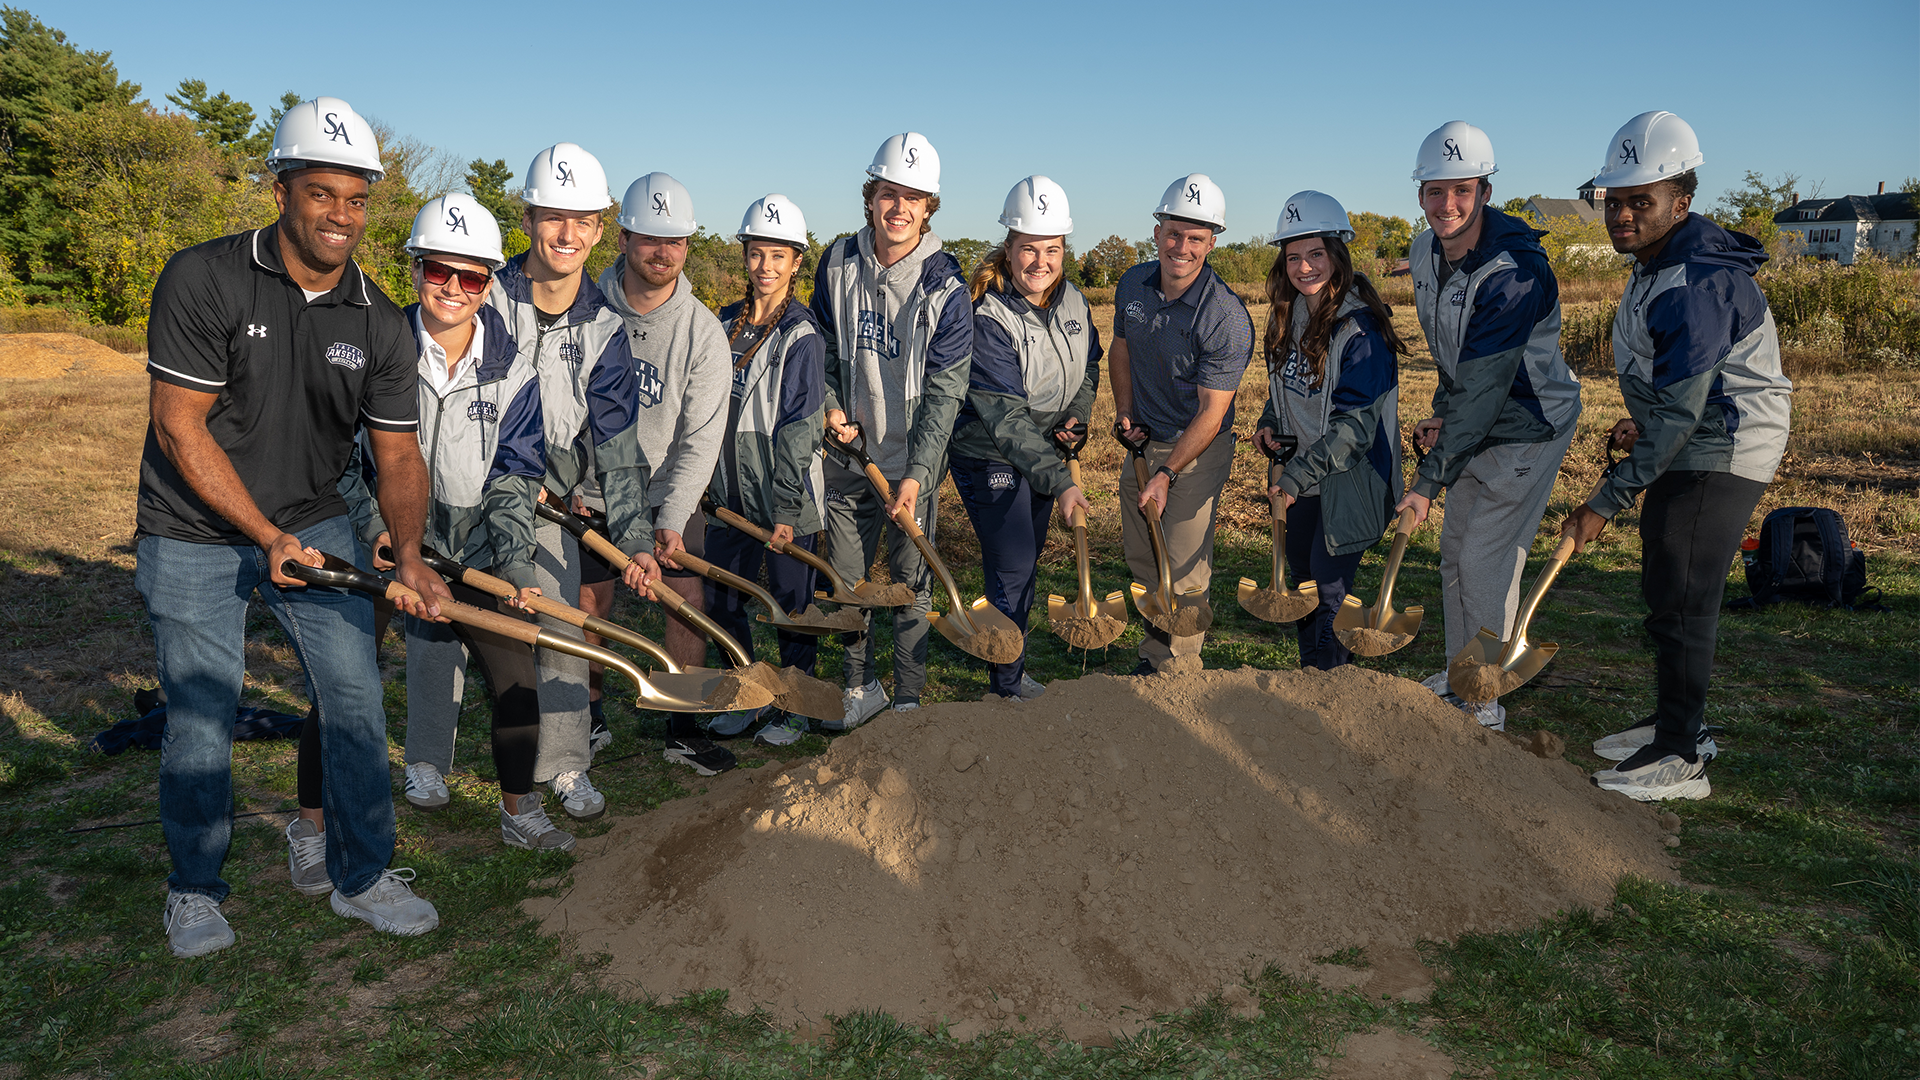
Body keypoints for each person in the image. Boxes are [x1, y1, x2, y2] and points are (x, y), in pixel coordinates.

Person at [137, 97, 445, 957]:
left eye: (356, 199)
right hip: (192, 530)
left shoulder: (380, 322)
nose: (340, 216)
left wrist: (411, 557)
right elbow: (178, 426)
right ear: (280, 189)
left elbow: (397, 457)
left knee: (351, 696)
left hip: (314, 523)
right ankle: (195, 889)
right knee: (203, 711)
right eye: (322, 194)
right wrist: (263, 535)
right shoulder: (204, 278)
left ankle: (362, 875)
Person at [1563, 111, 1792, 801]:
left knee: (1686, 593)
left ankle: (1683, 754)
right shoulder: (1658, 263)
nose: (1623, 215)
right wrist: (1647, 421)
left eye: (1642, 201)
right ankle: (1675, 720)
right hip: (1696, 436)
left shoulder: (1692, 280)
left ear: (1680, 201)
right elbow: (1675, 392)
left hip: (1726, 445)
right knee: (1667, 579)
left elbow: (1689, 411)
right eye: (1615, 201)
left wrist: (1603, 501)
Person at [340, 194, 576, 854]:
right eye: (439, 271)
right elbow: (342, 453)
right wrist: (378, 533)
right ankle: (337, 812)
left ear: (489, 283)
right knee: (349, 673)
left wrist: (517, 565)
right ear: (414, 272)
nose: (453, 288)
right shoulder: (378, 347)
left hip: (478, 546)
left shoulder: (514, 367)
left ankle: (519, 808)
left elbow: (516, 473)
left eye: (471, 276)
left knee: (516, 677)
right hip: (386, 543)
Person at [485, 143, 665, 811]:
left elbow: (617, 450)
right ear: (529, 218)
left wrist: (636, 540)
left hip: (542, 503)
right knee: (440, 634)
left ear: (598, 229)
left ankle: (565, 762)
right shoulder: (483, 298)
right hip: (460, 491)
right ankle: (426, 758)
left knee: (559, 625)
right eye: (553, 217)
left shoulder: (606, 330)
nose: (567, 234)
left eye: (582, 221)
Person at [1393, 121, 1582, 731]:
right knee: (1454, 553)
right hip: (1476, 420)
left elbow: (1485, 383)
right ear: (1420, 195)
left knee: (1483, 560)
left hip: (1528, 425)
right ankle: (1461, 672)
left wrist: (1426, 482)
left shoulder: (1514, 272)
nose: (1447, 205)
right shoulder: (1425, 253)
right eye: (1434, 192)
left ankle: (1484, 700)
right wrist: (1444, 413)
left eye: (1462, 191)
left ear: (1484, 191)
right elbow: (1455, 357)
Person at [812, 132, 973, 725]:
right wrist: (830, 405)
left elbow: (945, 391)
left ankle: (907, 697)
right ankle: (859, 689)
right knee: (849, 580)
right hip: (847, 454)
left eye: (913, 197)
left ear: (929, 206)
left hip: (909, 463)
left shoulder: (947, 288)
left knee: (911, 579)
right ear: (870, 197)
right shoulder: (837, 262)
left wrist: (921, 475)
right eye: (887, 193)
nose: (899, 208)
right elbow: (822, 348)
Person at [593, 173, 734, 760]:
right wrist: (577, 485)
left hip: (667, 486)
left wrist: (672, 516)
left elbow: (700, 440)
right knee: (586, 605)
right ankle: (588, 715)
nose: (662, 251)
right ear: (623, 238)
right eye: (649, 238)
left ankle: (682, 726)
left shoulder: (702, 332)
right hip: (591, 487)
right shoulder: (585, 309)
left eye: (674, 240)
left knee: (686, 599)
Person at [950, 176, 1099, 700]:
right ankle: (1006, 685)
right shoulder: (990, 317)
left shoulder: (1075, 305)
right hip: (989, 452)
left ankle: (1009, 667)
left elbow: (1088, 369)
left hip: (1042, 455)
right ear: (1008, 248)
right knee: (1013, 561)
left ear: (1064, 251)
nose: (1040, 261)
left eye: (1051, 249)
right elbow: (1007, 419)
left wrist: (1075, 417)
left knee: (1023, 562)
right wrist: (1060, 481)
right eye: (1028, 248)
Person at [1252, 191, 1407, 670]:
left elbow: (1353, 430)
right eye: (1293, 257)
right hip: (1303, 474)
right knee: (1302, 581)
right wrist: (1269, 422)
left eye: (1316, 254)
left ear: (1337, 253)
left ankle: (1332, 685)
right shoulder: (1289, 312)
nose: (1304, 268)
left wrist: (1294, 477)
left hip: (1350, 478)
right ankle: (1311, 675)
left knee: (1328, 582)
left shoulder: (1362, 330)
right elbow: (1289, 388)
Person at [1111, 173, 1255, 675]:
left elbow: (1212, 413)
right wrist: (1124, 410)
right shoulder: (1132, 283)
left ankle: (1179, 672)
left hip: (1197, 448)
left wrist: (1167, 472)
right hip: (1144, 439)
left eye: (1196, 238)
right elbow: (1122, 347)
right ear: (1156, 231)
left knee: (1184, 562)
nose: (1182, 247)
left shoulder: (1226, 317)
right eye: (1174, 233)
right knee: (1143, 553)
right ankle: (1156, 652)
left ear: (1212, 242)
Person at [703, 194, 828, 745]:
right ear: (745, 255)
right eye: (757, 253)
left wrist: (784, 509)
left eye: (779, 256)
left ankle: (796, 706)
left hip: (787, 498)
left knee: (793, 607)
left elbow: (800, 429)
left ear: (797, 261)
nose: (766, 267)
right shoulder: (723, 323)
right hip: (727, 496)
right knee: (722, 599)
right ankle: (747, 696)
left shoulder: (802, 335)